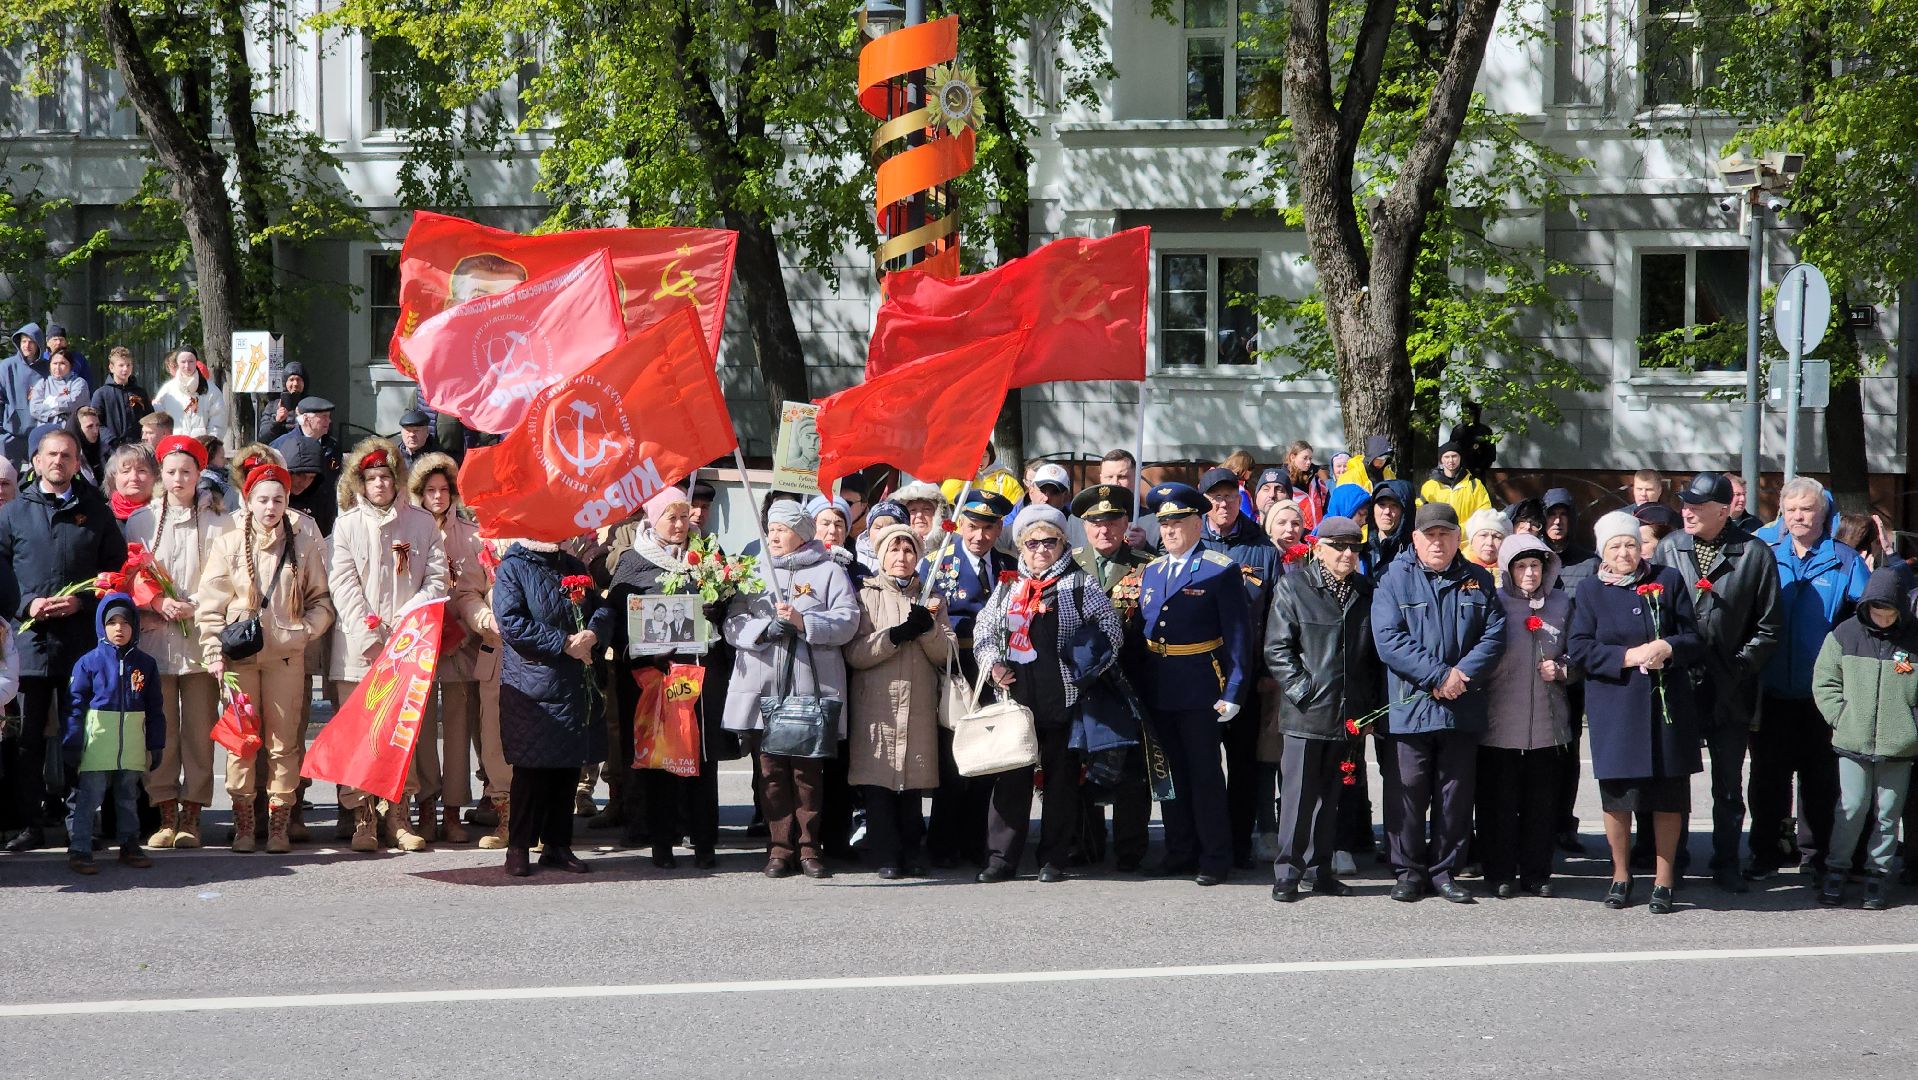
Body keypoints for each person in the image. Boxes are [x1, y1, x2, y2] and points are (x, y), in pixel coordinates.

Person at [974, 504, 1122, 883]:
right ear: (1022, 546)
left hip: (1063, 696)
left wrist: (1086, 670)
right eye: (1033, 542)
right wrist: (993, 666)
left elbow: (1111, 630)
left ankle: (1054, 857)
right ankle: (1001, 858)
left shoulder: (1079, 583)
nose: (1041, 549)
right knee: (1011, 779)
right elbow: (985, 630)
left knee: (1060, 782)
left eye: (1050, 542)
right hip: (1017, 698)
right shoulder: (1009, 583)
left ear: (1062, 544)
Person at [1651, 472, 1781, 893]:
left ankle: (1727, 862)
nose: (1685, 510)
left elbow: (1769, 626)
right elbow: (1656, 611)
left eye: (1696, 505)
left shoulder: (1755, 553)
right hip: (1678, 681)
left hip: (1732, 684)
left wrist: (1740, 667)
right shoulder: (1671, 547)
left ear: (1723, 511)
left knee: (1728, 782)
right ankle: (1675, 860)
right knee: (1675, 778)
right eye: (1684, 503)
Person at [1568, 511, 1704, 915]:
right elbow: (1579, 646)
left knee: (1667, 797)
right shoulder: (1591, 590)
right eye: (1615, 546)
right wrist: (1625, 656)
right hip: (1616, 707)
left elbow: (1694, 637)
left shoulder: (1668, 580)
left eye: (1630, 543)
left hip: (1665, 708)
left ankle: (1664, 880)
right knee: (1618, 799)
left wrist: (1669, 648)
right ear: (1602, 552)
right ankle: (1621, 875)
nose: (1624, 552)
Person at [196, 454, 333, 852]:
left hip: (286, 659)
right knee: (241, 743)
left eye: (278, 499)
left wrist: (304, 631)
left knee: (283, 744)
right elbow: (210, 606)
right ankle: (243, 824)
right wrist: (214, 654)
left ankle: (278, 826)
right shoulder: (228, 544)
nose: (270, 508)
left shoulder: (304, 543)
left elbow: (321, 601)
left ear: (286, 500)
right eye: (262, 499)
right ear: (248, 501)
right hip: (239, 661)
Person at [1371, 502, 1507, 904]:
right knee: (1407, 791)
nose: (1437, 542)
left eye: (1445, 534)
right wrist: (1438, 676)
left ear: (1456, 538)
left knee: (1455, 793)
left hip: (1460, 705)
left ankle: (1445, 870)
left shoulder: (1478, 579)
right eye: (1429, 535)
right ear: (1415, 539)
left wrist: (1459, 676)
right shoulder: (1393, 579)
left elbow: (1495, 636)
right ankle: (1408, 871)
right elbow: (1389, 640)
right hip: (1411, 705)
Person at [0, 429, 126, 852]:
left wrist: (83, 602)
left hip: (79, 645)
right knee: (27, 740)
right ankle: (30, 824)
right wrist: (27, 605)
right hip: (29, 644)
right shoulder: (13, 513)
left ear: (77, 463)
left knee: (81, 735)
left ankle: (79, 824)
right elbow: (2, 571)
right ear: (36, 461)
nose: (59, 461)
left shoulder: (97, 510)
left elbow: (115, 570)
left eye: (67, 455)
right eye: (51, 454)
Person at [721, 500, 859, 879]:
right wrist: (764, 630)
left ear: (801, 533)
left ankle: (810, 848)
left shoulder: (830, 571)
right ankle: (778, 848)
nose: (775, 535)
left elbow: (848, 620)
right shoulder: (753, 570)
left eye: (782, 528)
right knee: (769, 771)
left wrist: (804, 622)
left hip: (810, 689)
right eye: (772, 528)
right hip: (763, 686)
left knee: (807, 773)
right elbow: (733, 622)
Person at [327, 438, 449, 852]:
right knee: (361, 733)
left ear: (397, 480)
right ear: (359, 482)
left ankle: (398, 814)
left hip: (407, 647)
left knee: (402, 735)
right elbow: (342, 584)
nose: (379, 484)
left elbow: (435, 580)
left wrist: (406, 622)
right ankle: (363, 816)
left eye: (386, 476)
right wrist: (370, 633)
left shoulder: (421, 524)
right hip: (359, 647)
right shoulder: (345, 525)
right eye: (371, 477)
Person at [1129, 483, 1250, 886]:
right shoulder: (1153, 571)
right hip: (1159, 687)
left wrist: (1234, 690)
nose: (1169, 531)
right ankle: (1179, 850)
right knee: (1170, 776)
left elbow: (1237, 636)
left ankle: (1215, 855)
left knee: (1204, 775)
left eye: (1177, 522)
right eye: (1164, 524)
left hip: (1201, 686)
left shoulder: (1219, 569)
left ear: (1198, 523)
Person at [1750, 477, 1870, 879]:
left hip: (1823, 694)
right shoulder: (1764, 555)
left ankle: (1815, 856)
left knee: (1820, 780)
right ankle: (1765, 852)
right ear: (1781, 514)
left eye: (1808, 509)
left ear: (1824, 513)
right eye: (1792, 510)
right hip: (1770, 689)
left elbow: (1865, 622)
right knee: (1767, 778)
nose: (1799, 516)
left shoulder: (1844, 560)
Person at [607, 485, 729, 865]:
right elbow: (616, 617)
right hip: (653, 676)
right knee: (659, 758)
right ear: (653, 519)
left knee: (700, 757)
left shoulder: (708, 554)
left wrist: (716, 609)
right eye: (671, 517)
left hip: (700, 671)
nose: (680, 525)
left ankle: (705, 840)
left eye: (683, 516)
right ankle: (662, 841)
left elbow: (729, 598)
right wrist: (640, 652)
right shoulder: (633, 561)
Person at [1261, 515, 1377, 901]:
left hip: (1348, 713)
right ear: (1318, 548)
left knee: (1332, 798)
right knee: (1298, 797)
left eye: (1354, 548)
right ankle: (1287, 873)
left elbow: (1370, 656)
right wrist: (1303, 690)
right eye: (1339, 547)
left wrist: (1368, 706)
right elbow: (1278, 649)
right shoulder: (1294, 586)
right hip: (1306, 710)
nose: (1348, 554)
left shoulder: (1364, 589)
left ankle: (1320, 870)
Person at [492, 534, 617, 876]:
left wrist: (592, 634)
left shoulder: (573, 565)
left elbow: (601, 608)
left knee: (566, 767)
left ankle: (558, 845)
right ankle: (518, 846)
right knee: (532, 770)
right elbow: (512, 623)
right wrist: (563, 643)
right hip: (533, 683)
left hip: (573, 682)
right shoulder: (514, 567)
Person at [127, 435, 223, 851]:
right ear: (161, 476)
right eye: (171, 472)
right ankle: (165, 810)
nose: (179, 478)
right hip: (156, 640)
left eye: (187, 471)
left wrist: (196, 603)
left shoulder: (222, 521)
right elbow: (131, 575)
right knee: (160, 730)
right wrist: (157, 600)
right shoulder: (142, 521)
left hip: (202, 640)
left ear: (200, 474)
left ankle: (194, 815)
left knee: (199, 732)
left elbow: (226, 577)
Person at [845, 523, 954, 877]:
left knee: (911, 785)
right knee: (878, 784)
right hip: (876, 703)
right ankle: (886, 854)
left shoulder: (932, 594)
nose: (901, 558)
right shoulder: (865, 594)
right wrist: (894, 636)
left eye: (908, 551)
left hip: (919, 701)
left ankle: (912, 851)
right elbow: (855, 652)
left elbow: (947, 653)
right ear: (881, 555)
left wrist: (928, 631)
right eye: (894, 550)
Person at [408, 453, 502, 846]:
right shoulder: (408, 527)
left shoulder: (472, 534)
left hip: (465, 639)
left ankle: (453, 809)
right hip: (423, 640)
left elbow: (475, 587)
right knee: (424, 729)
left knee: (461, 729)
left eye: (444, 490)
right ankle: (426, 805)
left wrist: (469, 627)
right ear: (418, 493)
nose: (437, 497)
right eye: (430, 490)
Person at [1811, 567, 1918, 910]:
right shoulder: (1844, 635)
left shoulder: (1914, 640)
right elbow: (1825, 682)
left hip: (1900, 745)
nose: (1883, 618)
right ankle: (1836, 868)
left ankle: (1878, 873)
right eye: (1877, 611)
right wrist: (1841, 717)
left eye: (1890, 613)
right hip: (1852, 740)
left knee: (1888, 812)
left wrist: (1912, 726)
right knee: (1851, 807)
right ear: (1866, 606)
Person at [921, 488, 1017, 868]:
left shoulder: (1011, 564)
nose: (979, 536)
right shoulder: (936, 563)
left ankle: (981, 842)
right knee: (953, 759)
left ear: (999, 529)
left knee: (992, 757)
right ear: (960, 524)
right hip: (955, 667)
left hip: (997, 670)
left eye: (988, 528)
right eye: (972, 526)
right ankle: (943, 844)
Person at [1478, 533, 1575, 899]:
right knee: (1499, 803)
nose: (1530, 572)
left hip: (1549, 725)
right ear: (1508, 570)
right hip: (1500, 721)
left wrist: (1563, 668)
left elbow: (1577, 650)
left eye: (1536, 565)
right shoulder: (1495, 603)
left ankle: (1537, 872)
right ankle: (1499, 871)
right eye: (1521, 566)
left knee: (1541, 804)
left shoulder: (1562, 604)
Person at [1197, 465, 1281, 869]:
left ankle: (1239, 845)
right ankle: (1206, 842)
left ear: (1241, 498)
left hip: (1246, 675)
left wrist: (1267, 670)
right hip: (1197, 674)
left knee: (1245, 763)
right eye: (1215, 497)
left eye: (1230, 495)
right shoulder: (1190, 545)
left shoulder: (1263, 549)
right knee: (1203, 763)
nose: (1223, 503)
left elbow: (1277, 616)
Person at [1068, 482, 1153, 870]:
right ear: (1084, 527)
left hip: (1130, 680)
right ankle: (1085, 844)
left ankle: (1131, 849)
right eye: (1095, 522)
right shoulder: (1070, 564)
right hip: (1082, 684)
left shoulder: (1146, 565)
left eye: (1111, 520)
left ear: (1125, 523)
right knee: (1082, 764)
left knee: (1133, 770)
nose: (1103, 530)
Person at [59, 592, 164, 875]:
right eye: (112, 622)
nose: (119, 628)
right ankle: (80, 848)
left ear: (135, 626)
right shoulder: (88, 663)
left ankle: (130, 844)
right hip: (97, 746)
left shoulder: (146, 665)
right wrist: (71, 741)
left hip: (130, 746)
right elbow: (74, 706)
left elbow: (155, 708)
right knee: (89, 798)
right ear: (101, 626)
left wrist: (156, 743)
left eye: (126, 622)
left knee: (128, 797)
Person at [150, 347, 226, 440]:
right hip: (175, 447)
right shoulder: (167, 390)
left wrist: (210, 444)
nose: (187, 366)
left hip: (202, 448)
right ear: (177, 363)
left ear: (196, 362)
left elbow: (218, 421)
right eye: (183, 362)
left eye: (191, 361)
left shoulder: (211, 390)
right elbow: (159, 419)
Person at [88, 346, 151, 452]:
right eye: (121, 365)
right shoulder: (101, 394)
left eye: (128, 365)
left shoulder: (140, 392)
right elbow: (97, 422)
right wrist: (111, 441)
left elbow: (149, 418)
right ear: (111, 368)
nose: (125, 369)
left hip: (137, 448)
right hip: (111, 450)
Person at [1, 323, 46, 463]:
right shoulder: (7, 366)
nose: (27, 345)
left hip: (40, 433)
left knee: (40, 476)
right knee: (6, 477)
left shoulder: (48, 368)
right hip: (11, 432)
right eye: (24, 341)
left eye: (31, 341)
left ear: (39, 344)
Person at [279, 434, 339, 537]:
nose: (304, 482)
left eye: (311, 477)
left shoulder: (322, 500)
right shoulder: (271, 498)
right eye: (299, 475)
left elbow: (325, 537)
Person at [1097, 449, 1159, 549]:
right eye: (1109, 477)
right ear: (1101, 479)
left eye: (1122, 477)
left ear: (1136, 478)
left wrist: (1145, 548)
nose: (1114, 483)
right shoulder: (1078, 522)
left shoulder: (1156, 524)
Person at [1420, 441, 1492, 525]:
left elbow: (1485, 511)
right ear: (1441, 460)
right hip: (1441, 535)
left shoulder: (1475, 484)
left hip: (1467, 536)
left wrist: (1464, 529)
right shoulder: (1430, 486)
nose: (1451, 460)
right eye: (1446, 457)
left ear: (1460, 458)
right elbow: (1421, 511)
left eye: (1454, 456)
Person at [1361, 479, 1416, 579]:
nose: (1387, 511)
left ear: (1404, 512)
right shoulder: (1361, 549)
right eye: (1382, 505)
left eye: (1394, 506)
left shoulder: (1414, 552)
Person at [29, 348, 88, 426]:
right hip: (46, 429)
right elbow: (34, 409)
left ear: (71, 365)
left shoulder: (78, 383)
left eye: (62, 363)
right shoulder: (43, 383)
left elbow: (75, 403)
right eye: (55, 363)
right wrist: (59, 410)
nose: (57, 367)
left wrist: (52, 402)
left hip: (70, 428)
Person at [254, 362, 309, 444]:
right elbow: (263, 437)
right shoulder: (273, 406)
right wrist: (276, 421)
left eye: (299, 380)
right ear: (285, 382)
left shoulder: (311, 404)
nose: (295, 384)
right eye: (291, 379)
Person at [102, 443, 157, 524]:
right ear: (114, 478)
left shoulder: (165, 512)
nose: (134, 478)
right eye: (126, 471)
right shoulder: (102, 515)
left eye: (141, 470)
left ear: (155, 476)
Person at [1284, 441, 1330, 530]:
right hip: (1296, 533)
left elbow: (1323, 504)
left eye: (1310, 458)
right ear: (1293, 457)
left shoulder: (1315, 478)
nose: (1308, 462)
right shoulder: (1284, 481)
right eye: (1305, 458)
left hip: (1317, 532)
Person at [1450, 400, 1497, 482]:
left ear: (1476, 414)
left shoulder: (1484, 431)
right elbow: (1451, 450)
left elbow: (1491, 454)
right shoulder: (1458, 430)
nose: (1468, 416)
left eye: (1471, 413)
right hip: (1460, 471)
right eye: (1465, 413)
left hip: (1478, 471)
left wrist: (1481, 467)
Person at [1463, 508, 1510, 577]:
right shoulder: (1456, 567)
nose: (1490, 543)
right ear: (1472, 540)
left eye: (1496, 537)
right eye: (1483, 535)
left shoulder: (1512, 570)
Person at [66, 406, 107, 485]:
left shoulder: (106, 451)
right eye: (90, 426)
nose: (95, 431)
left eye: (97, 425)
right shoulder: (70, 457)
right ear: (78, 428)